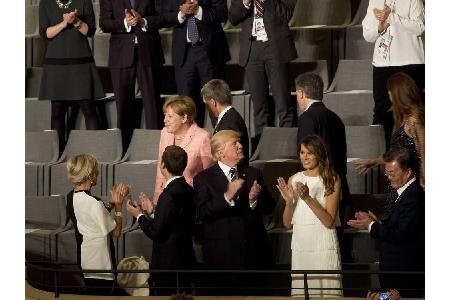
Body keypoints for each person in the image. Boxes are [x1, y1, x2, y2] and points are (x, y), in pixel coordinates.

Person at [193, 130, 275, 294]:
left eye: (239, 142)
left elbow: (270, 207)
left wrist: (254, 200)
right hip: (222, 258)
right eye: (234, 143)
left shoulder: (253, 173)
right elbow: (202, 213)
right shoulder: (204, 178)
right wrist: (226, 197)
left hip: (253, 256)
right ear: (220, 152)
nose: (240, 146)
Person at [348, 148, 425, 297]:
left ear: (408, 172)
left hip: (404, 279)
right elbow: (399, 226)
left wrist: (371, 225)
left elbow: (399, 235)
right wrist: (376, 222)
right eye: (386, 173)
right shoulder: (404, 193)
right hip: (395, 277)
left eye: (392, 173)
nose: (388, 177)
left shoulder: (414, 197)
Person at [276, 135, 342, 297]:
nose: (304, 157)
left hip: (322, 244)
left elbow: (328, 221)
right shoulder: (295, 179)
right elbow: (286, 224)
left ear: (319, 154)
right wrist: (289, 202)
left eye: (309, 153)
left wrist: (307, 198)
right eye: (302, 152)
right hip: (301, 245)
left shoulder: (331, 179)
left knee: (326, 292)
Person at [127, 145, 196, 296]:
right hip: (186, 259)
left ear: (163, 165)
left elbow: (157, 232)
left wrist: (138, 215)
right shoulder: (189, 190)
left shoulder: (168, 195)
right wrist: (153, 212)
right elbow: (174, 222)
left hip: (168, 264)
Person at [229, 0, 297, 150]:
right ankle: (265, 149)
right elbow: (233, 18)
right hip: (252, 48)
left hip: (275, 48)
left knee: (283, 105)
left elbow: (286, 13)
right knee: (259, 107)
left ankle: (287, 149)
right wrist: (245, 4)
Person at [39, 0, 104, 153]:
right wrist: (63, 23)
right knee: (57, 110)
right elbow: (45, 33)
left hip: (80, 62)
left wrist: (75, 21)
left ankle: (94, 153)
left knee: (88, 107)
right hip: (56, 63)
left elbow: (90, 31)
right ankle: (58, 154)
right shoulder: (46, 3)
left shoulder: (83, 1)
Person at [99, 0, 165, 150]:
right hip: (121, 54)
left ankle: (155, 149)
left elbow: (162, 18)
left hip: (149, 52)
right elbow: (104, 23)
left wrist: (143, 21)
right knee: (123, 105)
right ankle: (124, 149)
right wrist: (124, 22)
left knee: (152, 104)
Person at [362, 0, 425, 149]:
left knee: (413, 111)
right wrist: (379, 27)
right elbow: (367, 35)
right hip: (382, 64)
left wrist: (392, 17)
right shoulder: (375, 1)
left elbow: (420, 27)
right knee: (381, 112)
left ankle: (418, 160)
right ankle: (381, 159)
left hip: (410, 62)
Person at [160, 0, 231, 127]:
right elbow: (163, 17)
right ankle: (192, 144)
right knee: (186, 107)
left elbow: (222, 13)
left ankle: (221, 143)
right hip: (184, 54)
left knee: (215, 103)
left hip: (209, 52)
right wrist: (181, 14)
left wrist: (198, 11)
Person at [66, 154, 129, 295]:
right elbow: (116, 232)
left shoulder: (71, 196)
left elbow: (93, 216)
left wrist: (111, 204)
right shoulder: (94, 203)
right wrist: (119, 207)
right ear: (89, 175)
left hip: (84, 258)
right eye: (96, 170)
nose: (98, 174)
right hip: (101, 264)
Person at [355, 72, 425, 189]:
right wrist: (375, 161)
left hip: (413, 185)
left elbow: (424, 150)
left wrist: (424, 181)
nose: (389, 96)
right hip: (402, 182)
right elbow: (396, 153)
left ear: (399, 94)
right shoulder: (403, 118)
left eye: (390, 92)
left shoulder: (416, 118)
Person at [295, 72, 349, 222]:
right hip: (338, 184)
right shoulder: (336, 118)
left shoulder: (306, 118)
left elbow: (305, 158)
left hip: (316, 189)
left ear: (301, 94)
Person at [153, 96, 214, 203]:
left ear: (184, 118)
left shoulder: (203, 138)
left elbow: (209, 176)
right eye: (165, 115)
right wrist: (157, 199)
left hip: (191, 200)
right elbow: (160, 168)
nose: (164, 120)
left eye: (170, 116)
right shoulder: (165, 133)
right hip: (167, 198)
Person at [201, 79, 250, 165]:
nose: (206, 107)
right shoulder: (229, 117)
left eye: (206, 103)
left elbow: (232, 155)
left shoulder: (230, 121)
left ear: (213, 102)